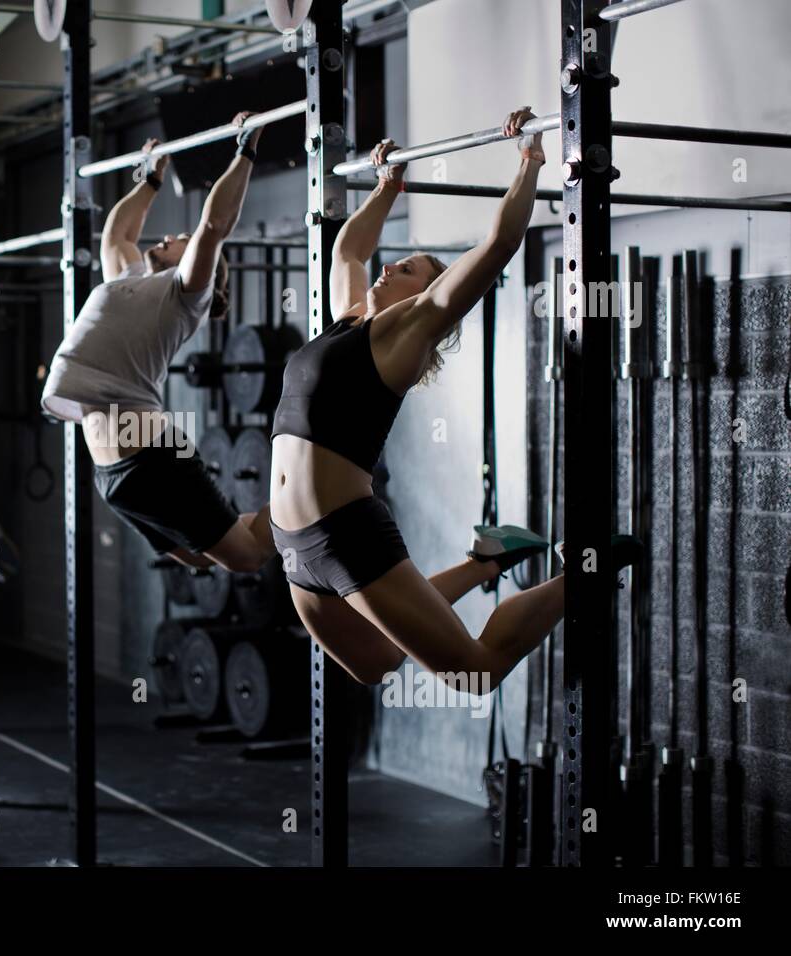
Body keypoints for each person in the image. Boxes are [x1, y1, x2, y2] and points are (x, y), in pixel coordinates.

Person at [269, 107, 638, 688]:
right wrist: (389, 186)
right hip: (293, 544)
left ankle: (585, 571)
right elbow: (347, 253)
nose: (392, 267)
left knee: (474, 673)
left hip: (343, 535)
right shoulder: (349, 321)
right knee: (378, 662)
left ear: (429, 291)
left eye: (411, 268)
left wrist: (530, 161)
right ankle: (485, 563)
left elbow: (496, 246)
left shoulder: (405, 333)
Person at [41, 113, 276, 573]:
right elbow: (117, 234)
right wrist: (151, 177)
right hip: (113, 477)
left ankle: (308, 504)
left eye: (177, 241)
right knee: (198, 557)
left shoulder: (183, 297)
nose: (169, 237)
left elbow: (214, 226)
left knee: (245, 558)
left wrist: (245, 150)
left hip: (149, 459)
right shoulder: (129, 281)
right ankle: (276, 516)